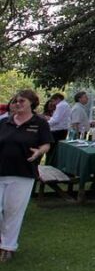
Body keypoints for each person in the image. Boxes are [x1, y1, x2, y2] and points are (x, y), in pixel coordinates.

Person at [0, 89, 52, 262]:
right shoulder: (4, 122)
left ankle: (8, 246)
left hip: (23, 172)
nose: (17, 104)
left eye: (22, 101)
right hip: (1, 171)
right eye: (15, 101)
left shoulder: (40, 123)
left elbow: (46, 144)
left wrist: (39, 152)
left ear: (32, 102)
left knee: (13, 210)